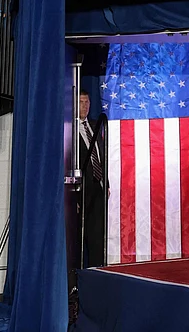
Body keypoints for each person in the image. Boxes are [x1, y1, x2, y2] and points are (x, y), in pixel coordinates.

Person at [76, 90, 107, 268]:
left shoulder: (95, 125)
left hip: (98, 187)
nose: (85, 106)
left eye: (87, 102)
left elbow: (101, 155)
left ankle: (98, 271)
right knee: (80, 236)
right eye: (81, 102)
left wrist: (106, 183)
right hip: (82, 190)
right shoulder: (70, 129)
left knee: (97, 236)